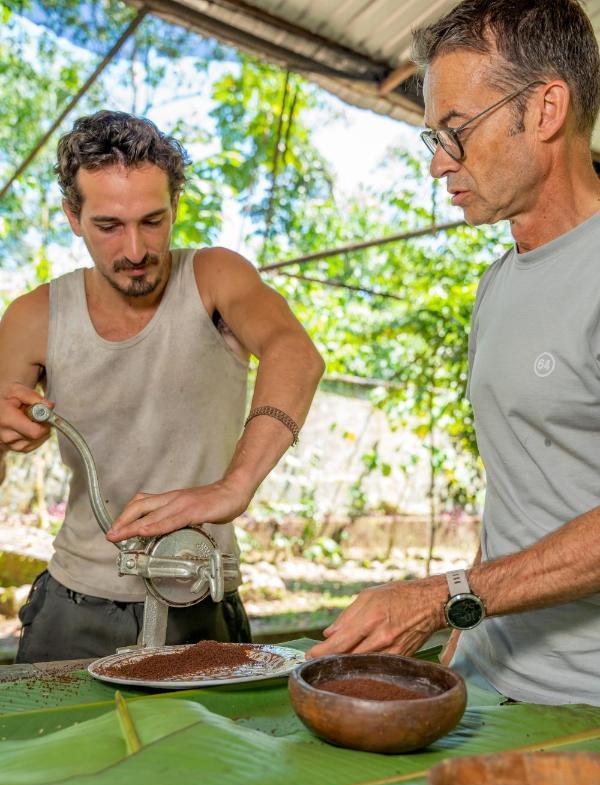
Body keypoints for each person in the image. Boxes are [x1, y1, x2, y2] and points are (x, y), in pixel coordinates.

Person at [309, 0, 600, 706]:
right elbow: (522, 491)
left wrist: (444, 596)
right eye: (432, 137)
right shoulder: (498, 284)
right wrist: (460, 638)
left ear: (545, 109)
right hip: (490, 675)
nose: (439, 164)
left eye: (457, 131)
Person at [0, 110, 324, 662]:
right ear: (73, 217)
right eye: (109, 226)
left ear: (176, 207)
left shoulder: (216, 277)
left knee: (206, 750)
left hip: (201, 592)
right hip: (75, 602)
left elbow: (296, 353)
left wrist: (233, 487)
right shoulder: (34, 316)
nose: (134, 249)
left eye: (153, 221)